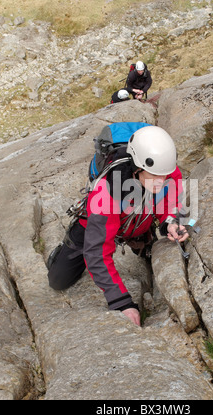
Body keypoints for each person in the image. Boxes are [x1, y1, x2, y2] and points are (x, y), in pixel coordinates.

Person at [48, 126, 188, 326]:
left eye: (164, 175)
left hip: (136, 222)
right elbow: (97, 252)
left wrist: (172, 222)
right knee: (58, 280)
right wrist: (121, 301)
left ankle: (141, 239)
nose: (161, 181)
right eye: (154, 176)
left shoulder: (165, 170)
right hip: (97, 223)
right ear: (137, 167)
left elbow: (172, 201)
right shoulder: (107, 193)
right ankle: (62, 251)